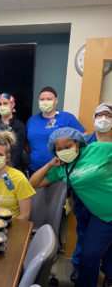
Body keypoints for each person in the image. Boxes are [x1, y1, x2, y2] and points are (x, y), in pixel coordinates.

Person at [29, 127, 112, 287]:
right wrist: (50, 164)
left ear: (77, 143)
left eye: (68, 147)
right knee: (88, 257)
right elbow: (34, 183)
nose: (64, 151)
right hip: (102, 217)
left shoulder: (98, 149)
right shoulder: (62, 169)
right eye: (59, 149)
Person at [70, 102, 112, 283]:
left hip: (107, 202)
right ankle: (80, 268)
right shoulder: (83, 143)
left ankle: (109, 274)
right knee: (85, 239)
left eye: (108, 115)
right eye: (99, 115)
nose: (103, 118)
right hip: (85, 202)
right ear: (94, 118)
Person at [26, 86, 85, 173]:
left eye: (49, 99)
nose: (45, 101)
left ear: (56, 101)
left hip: (59, 169)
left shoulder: (67, 118)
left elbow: (84, 138)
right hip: (35, 169)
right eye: (42, 99)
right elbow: (27, 144)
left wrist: (70, 155)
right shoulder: (31, 121)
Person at [0, 93, 26, 170]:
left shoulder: (19, 126)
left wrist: (7, 168)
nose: (2, 106)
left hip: (11, 168)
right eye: (0, 104)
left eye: (5, 103)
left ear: (12, 104)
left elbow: (18, 152)